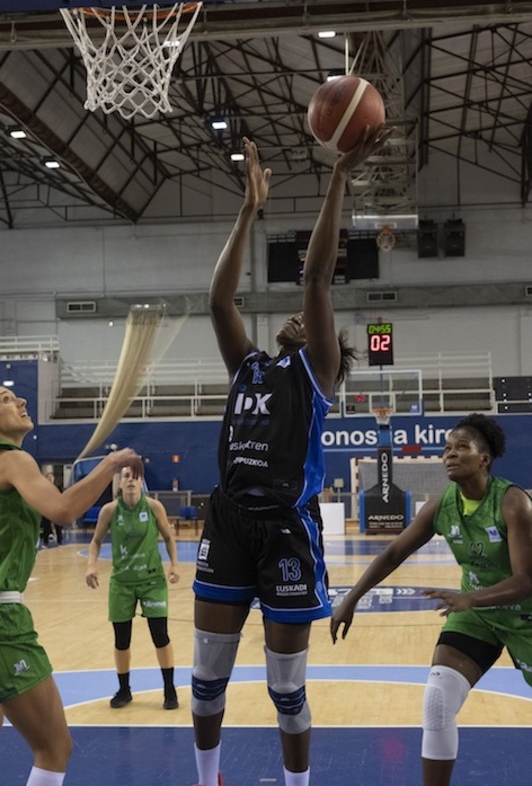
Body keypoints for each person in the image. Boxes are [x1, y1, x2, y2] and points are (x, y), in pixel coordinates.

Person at [190, 131, 390, 786]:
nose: (301, 318)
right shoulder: (249, 366)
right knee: (206, 681)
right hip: (228, 520)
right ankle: (207, 779)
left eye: (312, 321)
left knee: (286, 690)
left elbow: (315, 276)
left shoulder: (315, 375)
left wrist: (338, 177)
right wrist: (248, 211)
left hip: (285, 529)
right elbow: (219, 300)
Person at [331, 412, 532, 786]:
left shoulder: (512, 502)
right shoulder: (442, 506)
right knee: (438, 702)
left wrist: (471, 599)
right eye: (447, 448)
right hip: (478, 616)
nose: (449, 454)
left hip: (524, 615)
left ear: (484, 458)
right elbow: (394, 552)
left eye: (461, 447)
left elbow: (526, 580)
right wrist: (351, 599)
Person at [0, 385, 142, 786]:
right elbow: (64, 509)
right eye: (5, 400)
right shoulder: (13, 460)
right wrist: (110, 463)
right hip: (4, 622)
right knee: (54, 749)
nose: (20, 401)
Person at [86, 465, 180, 710]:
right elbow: (96, 541)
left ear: (141, 482)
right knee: (121, 639)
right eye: (126, 476)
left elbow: (169, 537)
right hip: (122, 582)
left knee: (160, 635)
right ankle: (124, 689)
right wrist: (91, 565)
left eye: (135, 477)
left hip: (152, 581)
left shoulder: (153, 507)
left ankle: (169, 689)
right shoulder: (109, 510)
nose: (130, 480)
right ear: (119, 482)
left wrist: (174, 565)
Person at [41, 472, 63, 546]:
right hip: (46, 509)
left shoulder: (58, 488)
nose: (50, 479)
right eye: (48, 477)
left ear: (54, 479)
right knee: (46, 527)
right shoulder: (43, 489)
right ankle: (45, 543)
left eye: (51, 477)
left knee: (58, 527)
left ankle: (60, 542)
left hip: (56, 509)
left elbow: (61, 498)